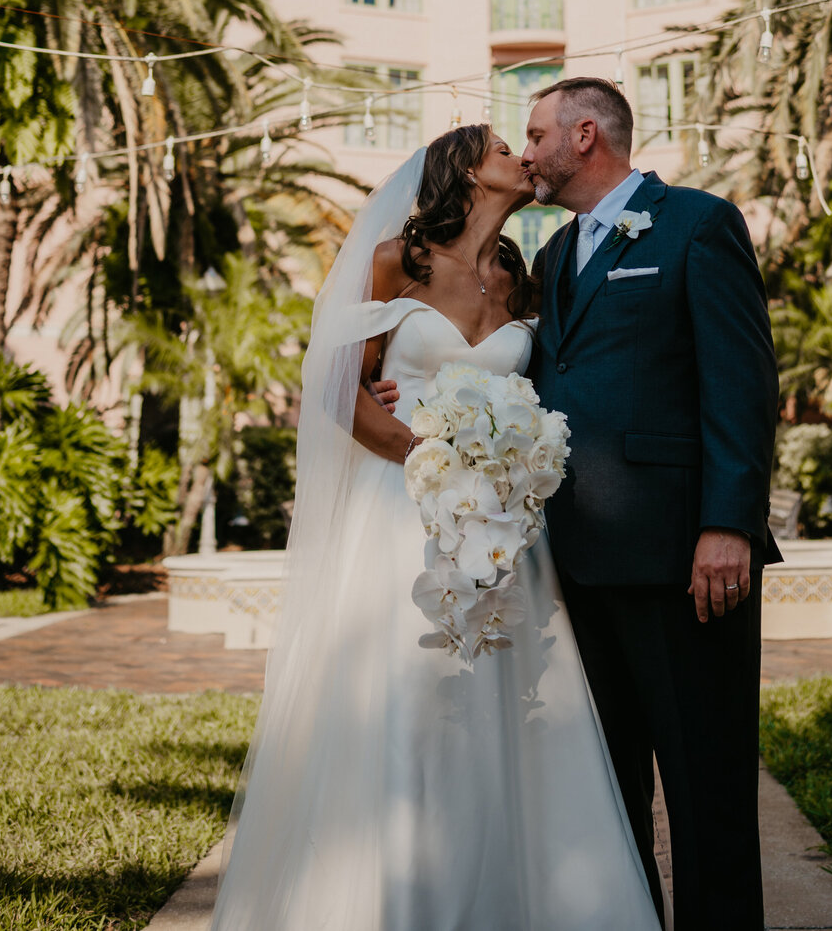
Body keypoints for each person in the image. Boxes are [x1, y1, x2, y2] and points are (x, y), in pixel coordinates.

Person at [209, 124, 661, 931]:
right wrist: (423, 455)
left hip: (505, 534)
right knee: (413, 702)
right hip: (401, 515)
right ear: (463, 171)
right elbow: (334, 386)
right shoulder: (396, 262)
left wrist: (511, 471)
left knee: (519, 709)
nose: (521, 156)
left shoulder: (523, 276)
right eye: (500, 147)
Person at [523, 76, 780, 931]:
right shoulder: (554, 257)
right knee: (608, 788)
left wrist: (728, 523)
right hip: (578, 567)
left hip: (682, 559)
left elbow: (741, 386)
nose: (526, 156)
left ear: (585, 135)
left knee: (704, 783)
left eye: (535, 137)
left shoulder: (698, 224)